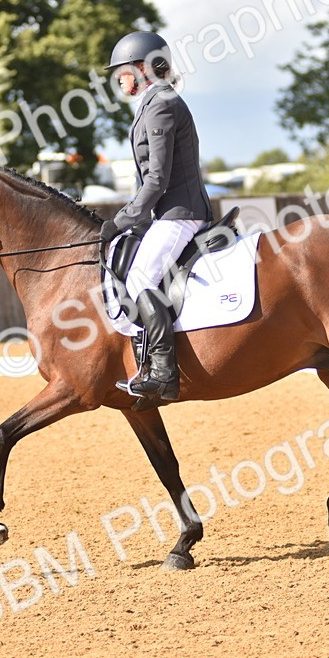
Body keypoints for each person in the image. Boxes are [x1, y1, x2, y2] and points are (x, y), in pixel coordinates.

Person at [100, 31, 212, 402]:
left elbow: (157, 179)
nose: (118, 79)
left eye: (121, 71)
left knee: (141, 276)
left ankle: (164, 372)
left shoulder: (161, 104)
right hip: (168, 213)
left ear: (141, 67)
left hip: (180, 213)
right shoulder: (153, 102)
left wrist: (122, 220)